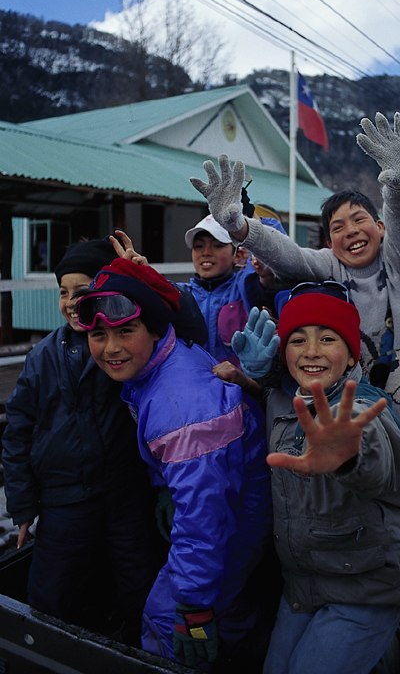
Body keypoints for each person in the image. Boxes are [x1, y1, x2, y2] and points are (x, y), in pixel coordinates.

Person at [190, 113, 400, 651]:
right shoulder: (330, 272)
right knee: (373, 518)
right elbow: (282, 253)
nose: (351, 231)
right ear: (329, 242)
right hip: (353, 426)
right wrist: (241, 227)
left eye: (361, 220)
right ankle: (378, 627)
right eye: (337, 226)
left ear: (379, 228)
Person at [76, 258, 272, 671]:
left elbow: (205, 517)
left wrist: (194, 604)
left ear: (153, 328)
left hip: (232, 519)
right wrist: (163, 483)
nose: (111, 348)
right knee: (231, 612)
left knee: (168, 622)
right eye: (98, 334)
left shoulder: (181, 408)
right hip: (237, 505)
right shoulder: (158, 363)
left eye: (125, 331)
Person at [230, 282, 400, 674]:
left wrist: (347, 456)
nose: (311, 351)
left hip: (369, 587)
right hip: (305, 583)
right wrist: (254, 378)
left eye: (327, 338)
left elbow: (378, 461)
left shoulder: (364, 407)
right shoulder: (282, 399)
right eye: (297, 340)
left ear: (352, 352)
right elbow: (278, 394)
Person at [1, 235, 161, 643]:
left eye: (83, 291)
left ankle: (132, 645)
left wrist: (141, 275)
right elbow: (17, 430)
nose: (72, 302)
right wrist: (22, 505)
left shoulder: (121, 346)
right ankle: (45, 652)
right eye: (63, 292)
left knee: (135, 575)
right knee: (51, 588)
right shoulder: (43, 356)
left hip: (123, 492)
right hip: (61, 499)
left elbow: (174, 322)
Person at [182, 213, 276, 367]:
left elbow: (271, 253)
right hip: (195, 388)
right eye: (198, 246)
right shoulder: (182, 294)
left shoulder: (245, 287)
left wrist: (255, 222)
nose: (205, 252)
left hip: (244, 387)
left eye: (218, 245)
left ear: (239, 255)